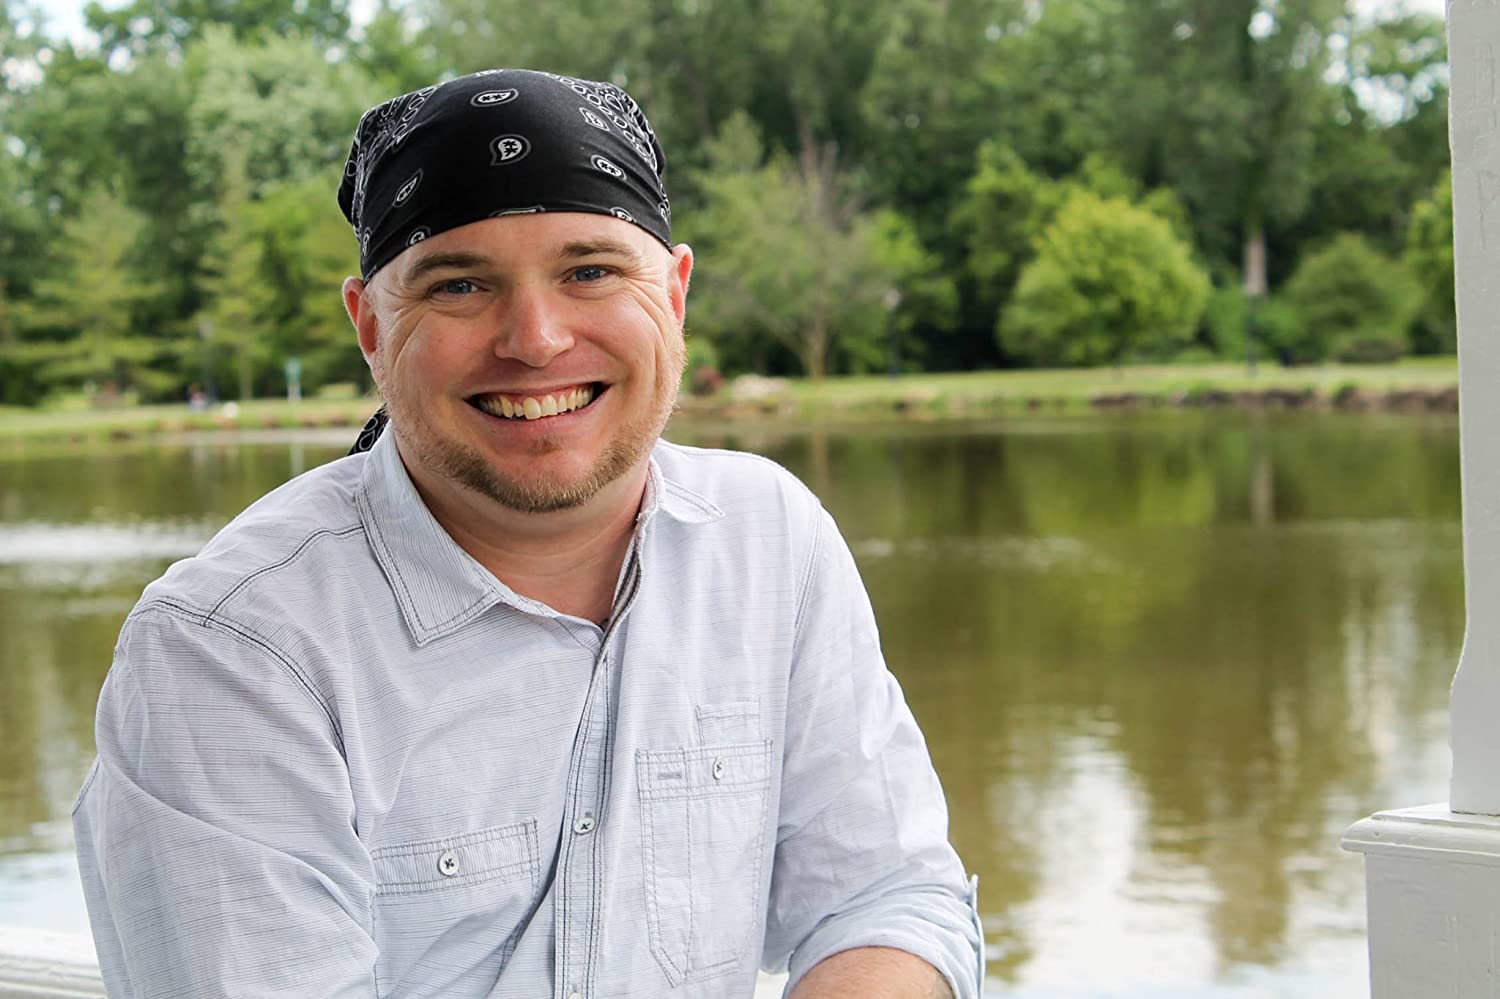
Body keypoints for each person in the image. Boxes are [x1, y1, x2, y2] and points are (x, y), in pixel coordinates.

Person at [73, 68, 984, 998]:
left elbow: (885, 896)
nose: (537, 338)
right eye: (460, 284)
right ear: (371, 328)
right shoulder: (231, 651)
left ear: (674, 295)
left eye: (590, 271)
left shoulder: (769, 539)